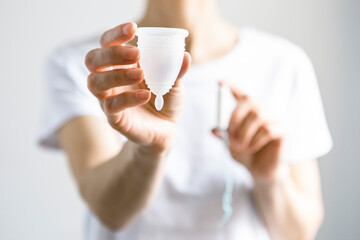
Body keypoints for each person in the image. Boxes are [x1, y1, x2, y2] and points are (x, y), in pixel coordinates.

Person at [38, 0, 333, 239]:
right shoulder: (90, 68)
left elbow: (299, 232)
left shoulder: (284, 65)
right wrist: (148, 150)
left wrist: (271, 179)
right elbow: (110, 210)